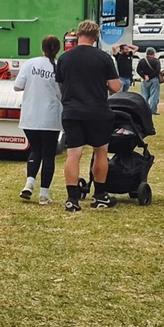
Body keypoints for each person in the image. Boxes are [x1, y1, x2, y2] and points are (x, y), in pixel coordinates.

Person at [54, 20, 122, 211]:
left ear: (77, 35)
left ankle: (72, 199)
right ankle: (100, 195)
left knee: (73, 154)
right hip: (98, 111)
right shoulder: (103, 58)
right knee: (100, 151)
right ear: (96, 37)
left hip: (72, 111)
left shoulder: (65, 58)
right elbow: (115, 87)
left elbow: (60, 84)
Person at [14, 34, 63, 204]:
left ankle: (29, 183)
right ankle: (44, 194)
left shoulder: (30, 63)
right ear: (58, 49)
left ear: (42, 48)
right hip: (50, 116)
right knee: (48, 155)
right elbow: (63, 92)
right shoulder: (58, 67)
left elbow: (17, 86)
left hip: (30, 115)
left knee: (35, 150)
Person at [137, 46, 163, 114]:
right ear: (153, 53)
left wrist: (144, 76)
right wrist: (150, 77)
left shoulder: (142, 61)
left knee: (144, 96)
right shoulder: (156, 61)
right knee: (154, 96)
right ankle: (152, 110)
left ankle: (144, 110)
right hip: (154, 79)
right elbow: (157, 70)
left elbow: (138, 70)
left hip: (144, 80)